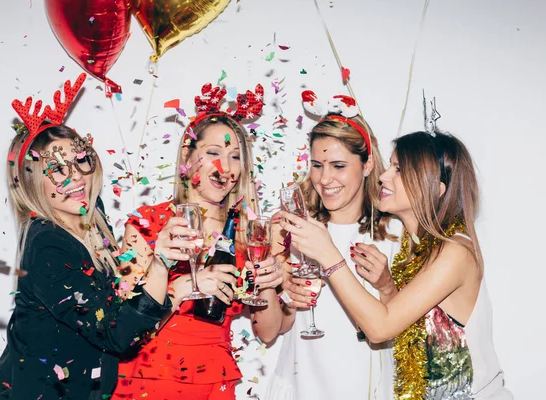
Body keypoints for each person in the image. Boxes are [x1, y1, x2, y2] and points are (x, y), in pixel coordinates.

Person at [280, 130, 513, 399]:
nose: (383, 176)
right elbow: (398, 325)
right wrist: (386, 287)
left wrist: (329, 255)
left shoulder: (456, 251)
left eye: (398, 169)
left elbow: (380, 328)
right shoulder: (411, 249)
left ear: (435, 188)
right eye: (390, 165)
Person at [0, 73, 172, 399]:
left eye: (79, 161)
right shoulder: (47, 245)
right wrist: (163, 265)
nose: (75, 177)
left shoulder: (89, 218)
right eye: (56, 169)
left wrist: (141, 262)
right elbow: (114, 333)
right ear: (31, 183)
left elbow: (110, 297)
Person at [112, 83, 283, 400]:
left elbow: (269, 331)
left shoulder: (248, 234)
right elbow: (123, 326)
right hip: (147, 381)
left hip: (213, 385)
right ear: (187, 158)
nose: (225, 167)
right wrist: (186, 285)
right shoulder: (147, 223)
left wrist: (269, 283)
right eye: (213, 153)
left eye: (235, 156)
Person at [266, 93, 401, 400]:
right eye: (317, 165)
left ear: (367, 166)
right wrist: (286, 293)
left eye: (338, 165)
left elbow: (400, 326)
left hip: (365, 386)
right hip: (301, 386)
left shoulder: (393, 233)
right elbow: (283, 324)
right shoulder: (294, 227)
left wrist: (386, 284)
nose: (324, 178)